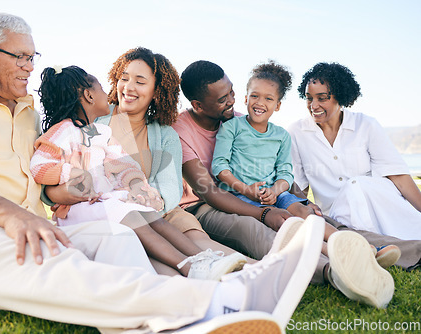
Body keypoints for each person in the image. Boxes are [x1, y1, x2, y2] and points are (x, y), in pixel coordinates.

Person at [0, 13, 325, 334]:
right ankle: (217, 301)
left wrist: (114, 187)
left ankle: (164, 323)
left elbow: (68, 178)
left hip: (69, 217)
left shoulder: (28, 112)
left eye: (32, 56)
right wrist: (19, 213)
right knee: (58, 264)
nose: (29, 66)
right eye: (20, 57)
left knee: (119, 239)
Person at [172, 60, 421, 308]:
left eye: (233, 92)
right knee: (256, 230)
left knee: (317, 220)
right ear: (198, 105)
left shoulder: (240, 119)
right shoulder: (182, 131)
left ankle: (388, 251)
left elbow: (277, 168)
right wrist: (265, 212)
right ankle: (334, 270)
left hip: (260, 196)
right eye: (223, 98)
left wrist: (299, 201)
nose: (232, 101)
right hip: (207, 206)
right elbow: (210, 192)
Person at [44, 47, 259, 273]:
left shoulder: (166, 135)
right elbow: (53, 175)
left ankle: (256, 271)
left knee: (198, 243)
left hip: (161, 212)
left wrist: (141, 199)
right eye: (124, 78)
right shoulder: (90, 118)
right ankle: (201, 278)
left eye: (140, 81)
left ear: (157, 91)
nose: (128, 87)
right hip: (107, 211)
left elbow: (170, 190)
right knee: (163, 263)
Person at [210, 61, 375, 258]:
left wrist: (275, 191)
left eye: (268, 98)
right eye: (254, 96)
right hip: (240, 195)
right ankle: (336, 254)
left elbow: (286, 174)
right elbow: (219, 167)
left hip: (274, 194)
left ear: (277, 105)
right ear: (245, 98)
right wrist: (246, 189)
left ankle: (356, 246)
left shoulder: (281, 136)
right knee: (287, 221)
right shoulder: (231, 127)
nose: (260, 103)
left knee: (304, 212)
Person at [288, 62, 421, 241]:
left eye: (322, 98)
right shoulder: (296, 132)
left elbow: (398, 176)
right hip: (339, 217)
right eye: (309, 98)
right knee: (353, 190)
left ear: (340, 97)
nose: (314, 105)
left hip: (377, 207)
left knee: (356, 185)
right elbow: (300, 187)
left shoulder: (366, 125)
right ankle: (372, 244)